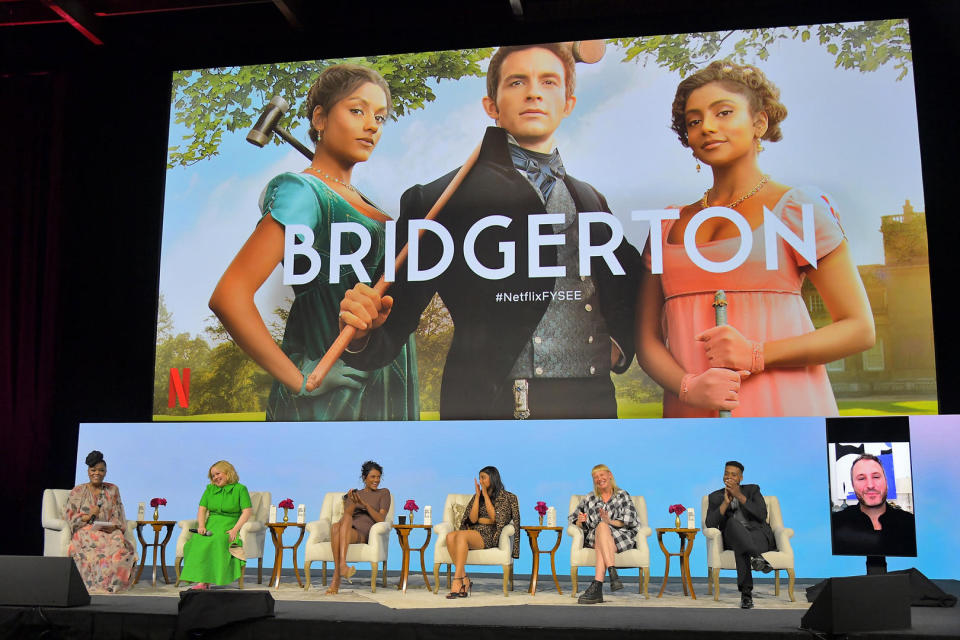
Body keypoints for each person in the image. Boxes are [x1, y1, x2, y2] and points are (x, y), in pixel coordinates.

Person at [337, 43, 639, 420]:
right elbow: (388, 326)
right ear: (491, 106)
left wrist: (617, 345)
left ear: (568, 103)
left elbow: (632, 285)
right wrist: (362, 332)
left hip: (593, 403)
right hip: (495, 407)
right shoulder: (436, 201)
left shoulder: (591, 199)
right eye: (516, 82)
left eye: (548, 81)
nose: (533, 92)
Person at [636, 60, 875, 417]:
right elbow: (646, 340)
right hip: (693, 410)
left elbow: (859, 329)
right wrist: (688, 387)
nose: (708, 127)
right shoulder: (667, 224)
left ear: (759, 122)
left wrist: (757, 354)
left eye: (724, 112)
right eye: (695, 121)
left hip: (784, 407)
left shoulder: (796, 209)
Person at [209, 63, 418, 421]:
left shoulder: (367, 203)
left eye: (380, 118)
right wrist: (299, 379)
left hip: (385, 374)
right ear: (319, 118)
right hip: (335, 393)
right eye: (357, 110)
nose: (371, 125)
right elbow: (229, 296)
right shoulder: (303, 191)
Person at [63, 450, 137, 593]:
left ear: (105, 472)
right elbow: (69, 516)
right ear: (88, 471)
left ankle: (112, 585)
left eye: (101, 470)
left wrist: (114, 526)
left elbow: (118, 513)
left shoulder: (112, 489)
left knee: (121, 549)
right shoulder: (78, 491)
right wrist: (87, 516)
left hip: (108, 531)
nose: (97, 473)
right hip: (85, 531)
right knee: (93, 552)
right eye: (93, 470)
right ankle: (95, 586)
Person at [705, 460, 775, 609]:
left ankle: (746, 596)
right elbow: (710, 523)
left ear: (740, 478)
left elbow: (762, 515)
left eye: (733, 474)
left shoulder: (752, 490)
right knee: (732, 524)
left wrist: (739, 496)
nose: (729, 477)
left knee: (741, 547)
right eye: (726, 473)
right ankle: (758, 558)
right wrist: (725, 503)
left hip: (758, 536)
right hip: (732, 536)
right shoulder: (715, 497)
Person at [443, 466, 520, 598]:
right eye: (479, 478)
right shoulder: (477, 496)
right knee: (450, 537)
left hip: (490, 533)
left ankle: (457, 581)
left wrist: (485, 495)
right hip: (475, 530)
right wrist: (479, 497)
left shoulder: (506, 497)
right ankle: (465, 579)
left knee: (460, 536)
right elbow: (472, 519)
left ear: (493, 478)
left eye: (483, 478)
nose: (481, 481)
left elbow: (495, 518)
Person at [569, 464, 639, 604]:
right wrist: (580, 521)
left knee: (603, 526)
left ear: (610, 475)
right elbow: (573, 518)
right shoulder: (590, 498)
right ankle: (612, 573)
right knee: (601, 527)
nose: (599, 479)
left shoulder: (623, 495)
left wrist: (609, 521)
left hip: (620, 535)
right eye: (595, 477)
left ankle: (597, 586)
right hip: (595, 536)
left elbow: (630, 519)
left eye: (601, 475)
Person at [180, 460, 253, 589]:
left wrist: (235, 530)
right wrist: (201, 526)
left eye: (218, 473)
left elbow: (247, 512)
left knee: (218, 540)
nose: (215, 478)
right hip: (211, 523)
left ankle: (208, 580)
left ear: (228, 472)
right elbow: (202, 509)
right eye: (213, 476)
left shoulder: (240, 489)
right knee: (196, 541)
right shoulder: (210, 489)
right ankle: (202, 581)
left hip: (229, 524)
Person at [325, 460, 391, 594]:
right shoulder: (355, 494)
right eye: (373, 477)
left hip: (363, 533)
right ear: (364, 478)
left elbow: (380, 518)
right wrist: (351, 503)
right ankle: (342, 567)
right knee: (336, 526)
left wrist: (365, 505)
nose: (376, 480)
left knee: (337, 527)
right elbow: (347, 516)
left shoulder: (384, 493)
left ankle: (337, 576)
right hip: (348, 529)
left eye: (378, 477)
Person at [831, 454, 916, 557]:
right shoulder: (835, 524)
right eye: (861, 478)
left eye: (876, 477)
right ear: (853, 486)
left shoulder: (911, 523)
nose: (870, 485)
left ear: (886, 482)